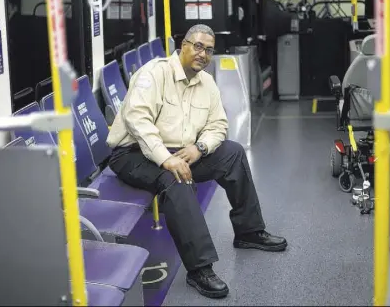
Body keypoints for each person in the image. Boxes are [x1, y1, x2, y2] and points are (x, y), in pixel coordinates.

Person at [106, 24, 287, 298]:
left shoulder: (207, 83)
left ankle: (249, 231)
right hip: (133, 153)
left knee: (233, 153)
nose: (203, 54)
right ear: (184, 46)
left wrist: (199, 148)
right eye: (198, 46)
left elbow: (218, 125)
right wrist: (166, 159)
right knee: (175, 178)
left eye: (209, 50)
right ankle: (199, 269)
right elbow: (137, 121)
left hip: (181, 150)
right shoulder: (155, 74)